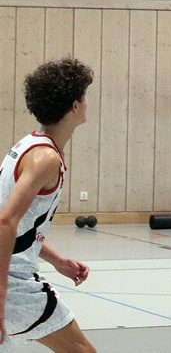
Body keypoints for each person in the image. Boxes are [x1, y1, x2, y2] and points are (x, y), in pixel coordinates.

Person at [0, 57, 96, 353]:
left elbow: (22, 225)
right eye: (84, 96)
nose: (87, 102)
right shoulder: (46, 158)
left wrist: (56, 260)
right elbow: (5, 222)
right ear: (74, 106)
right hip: (12, 280)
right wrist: (0, 295)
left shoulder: (28, 145)